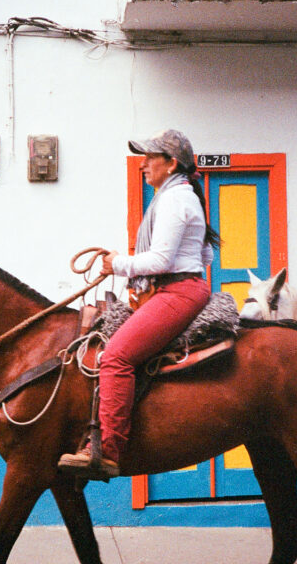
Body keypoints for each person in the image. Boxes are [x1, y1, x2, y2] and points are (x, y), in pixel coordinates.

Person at [58, 129, 219, 478]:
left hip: (176, 292)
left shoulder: (175, 200)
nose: (143, 164)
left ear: (171, 163)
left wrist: (119, 263)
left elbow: (161, 260)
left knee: (116, 356)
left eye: (150, 158)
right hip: (172, 289)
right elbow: (205, 252)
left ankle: (108, 449)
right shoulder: (179, 196)